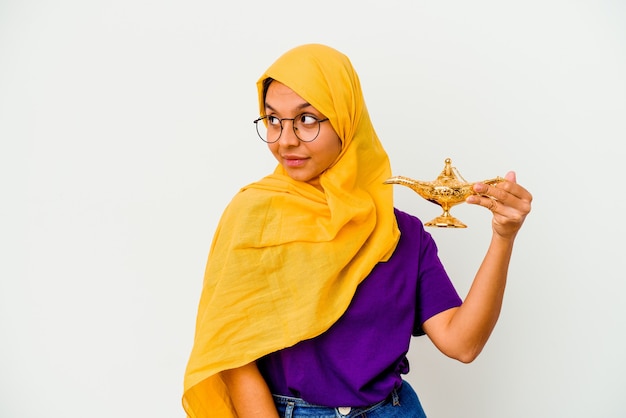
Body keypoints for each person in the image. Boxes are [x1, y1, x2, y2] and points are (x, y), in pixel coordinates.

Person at [182, 43, 532, 418]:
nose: (285, 140)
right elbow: (234, 357)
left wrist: (503, 237)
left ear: (346, 120)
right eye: (272, 120)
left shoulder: (402, 234)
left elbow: (462, 343)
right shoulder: (253, 220)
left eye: (307, 119)